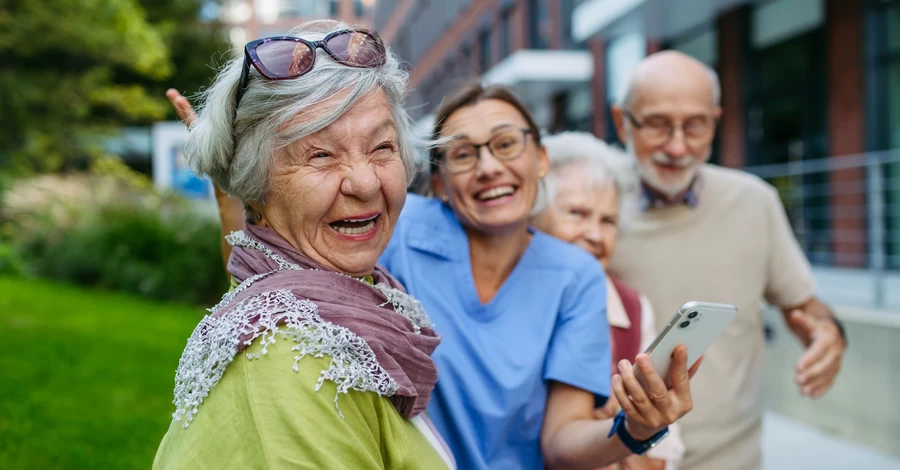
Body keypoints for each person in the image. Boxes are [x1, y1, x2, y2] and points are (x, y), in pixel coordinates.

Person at [153, 22, 454, 469]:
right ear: (253, 185)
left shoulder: (346, 301)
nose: (365, 182)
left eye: (381, 147)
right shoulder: (290, 364)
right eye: (321, 155)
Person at [607, 50, 847, 470]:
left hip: (732, 459)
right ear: (621, 121)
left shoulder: (755, 201)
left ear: (715, 122)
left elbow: (802, 306)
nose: (677, 146)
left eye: (695, 125)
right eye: (658, 124)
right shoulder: (592, 212)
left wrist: (829, 334)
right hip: (623, 457)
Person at [532, 131, 686, 470]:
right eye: (577, 213)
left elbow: (658, 462)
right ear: (533, 213)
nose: (595, 235)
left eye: (608, 221)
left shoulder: (632, 310)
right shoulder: (504, 295)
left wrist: (616, 425)